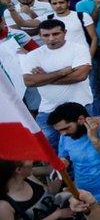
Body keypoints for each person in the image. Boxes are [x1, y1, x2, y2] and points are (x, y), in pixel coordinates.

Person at [22, 19, 93, 148]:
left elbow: (80, 75)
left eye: (56, 34)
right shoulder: (33, 55)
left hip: (79, 106)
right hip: (48, 109)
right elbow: (29, 81)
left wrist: (44, 77)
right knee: (49, 148)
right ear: (40, 36)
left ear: (65, 32)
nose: (51, 38)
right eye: (46, 35)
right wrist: (61, 73)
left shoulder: (78, 48)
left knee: (83, 145)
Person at [0, 160, 75, 220]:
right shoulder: (3, 206)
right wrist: (55, 216)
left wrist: (59, 175)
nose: (32, 160)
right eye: (26, 158)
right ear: (18, 170)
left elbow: (49, 194)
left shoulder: (28, 178)